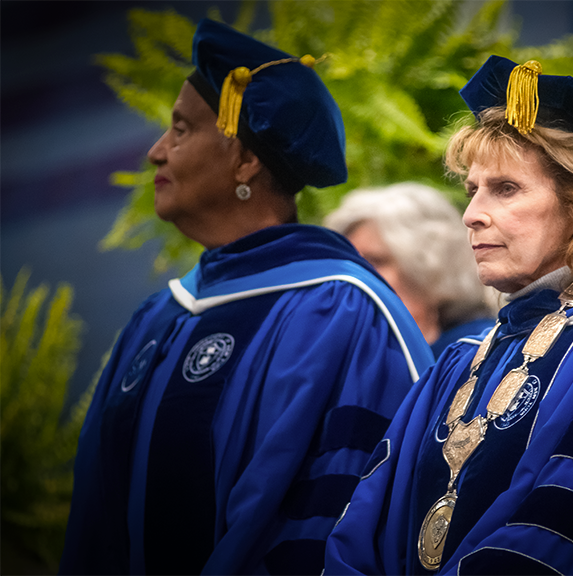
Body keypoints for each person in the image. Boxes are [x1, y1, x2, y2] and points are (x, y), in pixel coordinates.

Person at [60, 19, 433, 576]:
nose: (156, 153)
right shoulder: (160, 317)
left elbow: (344, 524)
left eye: (182, 129)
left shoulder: (341, 311)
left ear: (244, 159)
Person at [324, 56, 573, 575]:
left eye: (505, 189)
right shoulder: (462, 359)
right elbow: (366, 524)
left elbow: (562, 526)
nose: (471, 214)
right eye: (472, 190)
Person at [324, 183, 498, 358]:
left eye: (375, 262)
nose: (358, 275)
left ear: (429, 267)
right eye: (352, 263)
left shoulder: (479, 348)